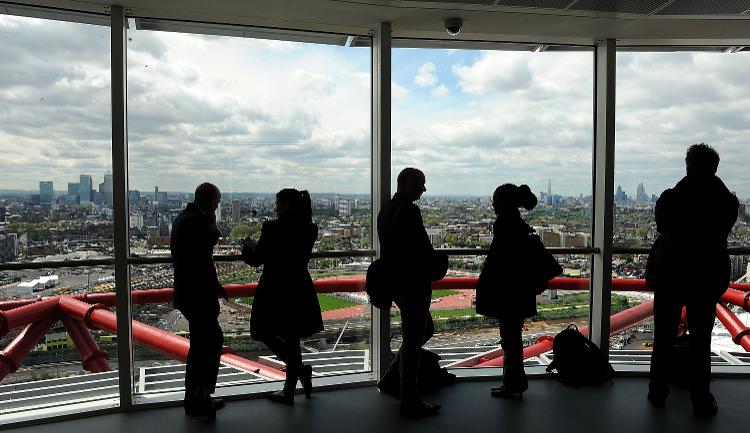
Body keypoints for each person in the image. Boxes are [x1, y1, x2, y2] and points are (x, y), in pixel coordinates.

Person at [646, 143, 739, 418]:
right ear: (715, 168)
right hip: (705, 278)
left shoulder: (670, 198)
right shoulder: (725, 203)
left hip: (671, 275)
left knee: (663, 337)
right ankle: (701, 399)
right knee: (702, 342)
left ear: (687, 166)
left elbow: (662, 227)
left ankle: (658, 392)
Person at [241, 188, 321, 405]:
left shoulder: (272, 227)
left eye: (277, 204)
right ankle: (294, 381)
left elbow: (259, 259)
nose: (275, 207)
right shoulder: (310, 228)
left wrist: (246, 249)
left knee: (260, 331)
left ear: (286, 205)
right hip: (299, 287)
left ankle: (296, 379)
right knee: (292, 336)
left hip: (274, 288)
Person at [376, 167, 441, 417]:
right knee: (416, 338)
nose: (424, 189)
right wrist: (439, 263)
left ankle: (396, 379)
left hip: (396, 283)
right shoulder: (410, 211)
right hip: (413, 284)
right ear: (409, 184)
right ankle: (409, 397)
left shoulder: (387, 210)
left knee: (420, 332)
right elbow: (422, 250)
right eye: (421, 184)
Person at [475, 184, 539, 399]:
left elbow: (500, 263)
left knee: (510, 340)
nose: (493, 205)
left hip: (509, 293)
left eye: (495, 201)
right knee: (513, 339)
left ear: (502, 203)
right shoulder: (518, 223)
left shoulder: (505, 223)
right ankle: (514, 382)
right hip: (518, 291)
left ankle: (513, 383)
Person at [171, 182, 228, 419]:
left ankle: (195, 398)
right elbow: (204, 257)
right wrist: (212, 225)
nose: (216, 208)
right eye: (216, 204)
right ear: (209, 202)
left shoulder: (182, 218)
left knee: (201, 346)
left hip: (187, 292)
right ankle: (201, 397)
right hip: (197, 294)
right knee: (210, 343)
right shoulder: (198, 221)